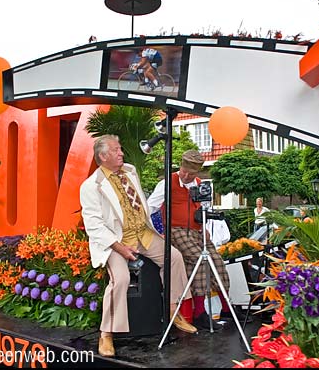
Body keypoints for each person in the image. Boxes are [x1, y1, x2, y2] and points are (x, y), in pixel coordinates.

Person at [80, 135, 196, 358]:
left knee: (174, 257)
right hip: (116, 240)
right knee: (121, 279)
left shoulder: (130, 171)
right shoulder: (91, 186)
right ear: (103, 156)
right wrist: (121, 248)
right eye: (116, 150)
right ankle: (106, 334)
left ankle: (173, 310)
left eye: (120, 148)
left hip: (142, 234)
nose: (121, 152)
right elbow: (94, 227)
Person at [148, 150, 247, 330]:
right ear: (181, 166)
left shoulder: (201, 185)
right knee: (199, 259)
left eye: (191, 173)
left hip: (197, 231)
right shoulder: (167, 183)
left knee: (218, 262)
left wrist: (205, 230)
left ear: (197, 173)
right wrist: (155, 233)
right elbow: (149, 208)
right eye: (184, 171)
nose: (186, 175)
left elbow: (203, 210)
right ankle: (199, 313)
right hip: (176, 230)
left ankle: (226, 309)